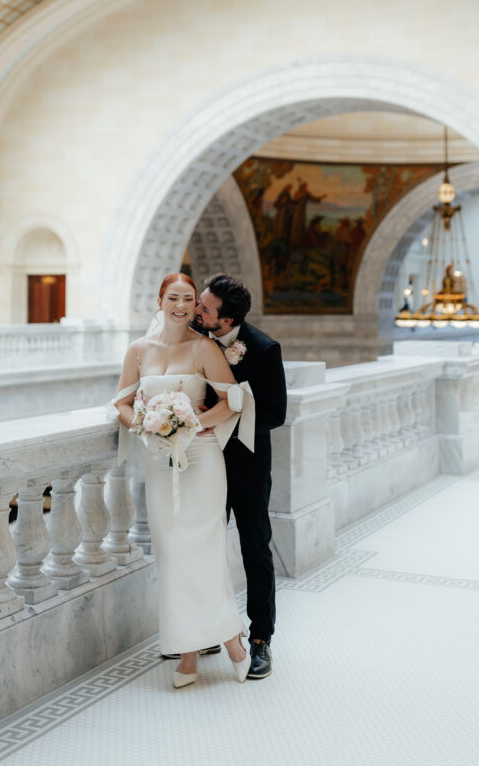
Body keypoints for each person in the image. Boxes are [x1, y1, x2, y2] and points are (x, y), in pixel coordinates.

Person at [114, 273, 254, 689]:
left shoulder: (203, 347)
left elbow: (233, 399)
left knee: (205, 551)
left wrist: (192, 425)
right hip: (160, 461)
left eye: (188, 299)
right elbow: (120, 402)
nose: (180, 305)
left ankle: (232, 644)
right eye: (172, 297)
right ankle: (189, 652)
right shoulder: (138, 350)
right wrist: (145, 427)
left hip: (201, 460)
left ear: (195, 305)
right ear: (160, 301)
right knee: (173, 553)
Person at [193, 274, 287, 679]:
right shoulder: (194, 340)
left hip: (247, 462)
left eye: (205, 309)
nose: (197, 311)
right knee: (205, 546)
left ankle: (261, 639)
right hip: (204, 461)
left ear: (227, 321)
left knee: (255, 549)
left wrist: (231, 415)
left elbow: (275, 412)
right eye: (199, 303)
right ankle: (210, 628)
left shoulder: (264, 349)